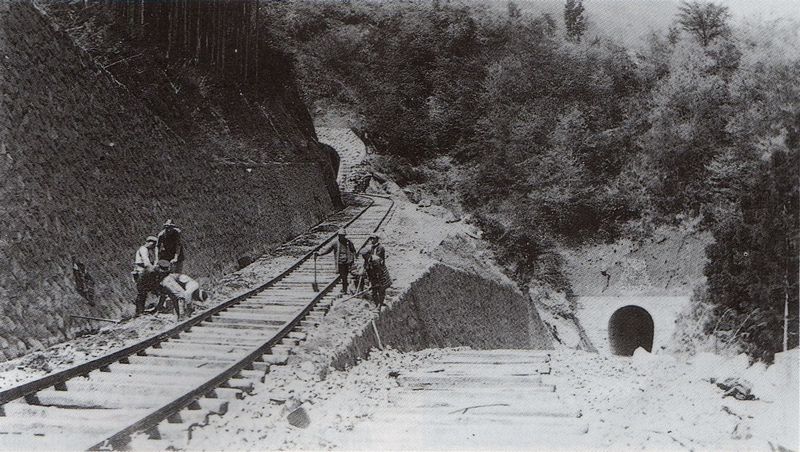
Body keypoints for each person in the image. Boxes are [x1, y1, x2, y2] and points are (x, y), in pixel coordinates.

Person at [315, 229, 356, 294]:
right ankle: (345, 289)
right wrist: (320, 254)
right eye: (340, 235)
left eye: (343, 235)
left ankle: (346, 289)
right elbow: (328, 250)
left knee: (347, 275)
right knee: (343, 276)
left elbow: (353, 251)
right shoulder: (335, 243)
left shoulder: (348, 242)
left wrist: (353, 259)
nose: (341, 237)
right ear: (338, 235)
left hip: (348, 262)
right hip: (340, 262)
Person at [363, 234, 391, 308]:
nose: (371, 240)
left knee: (381, 289)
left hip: (380, 270)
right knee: (374, 289)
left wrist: (370, 259)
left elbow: (377, 259)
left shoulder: (380, 248)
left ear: (377, 239)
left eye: (373, 239)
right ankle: (376, 304)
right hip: (373, 271)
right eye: (371, 239)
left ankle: (380, 304)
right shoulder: (371, 247)